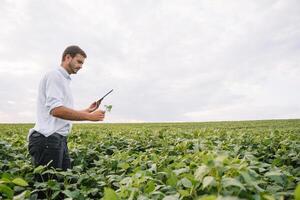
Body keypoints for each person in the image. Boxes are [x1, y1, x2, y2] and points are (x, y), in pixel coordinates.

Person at [28, 45, 105, 171]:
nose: (81, 66)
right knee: (49, 187)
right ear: (67, 57)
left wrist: (87, 110)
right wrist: (89, 117)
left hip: (57, 140)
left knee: (61, 183)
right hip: (48, 139)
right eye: (79, 61)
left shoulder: (63, 80)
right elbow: (56, 110)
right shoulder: (55, 76)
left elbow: (62, 113)